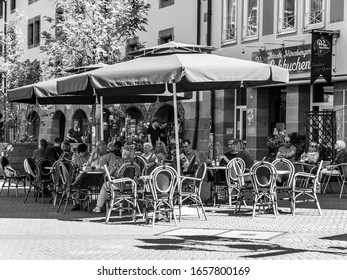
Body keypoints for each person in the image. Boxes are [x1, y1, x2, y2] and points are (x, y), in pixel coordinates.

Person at [70, 140, 118, 211]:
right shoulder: (95, 155)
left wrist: (102, 170)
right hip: (92, 176)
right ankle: (80, 203)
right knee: (84, 177)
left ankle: (73, 185)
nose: (97, 148)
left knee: (84, 177)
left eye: (99, 146)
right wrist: (92, 155)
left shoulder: (110, 155)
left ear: (104, 146)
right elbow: (87, 165)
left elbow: (112, 168)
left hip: (102, 176)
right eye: (96, 146)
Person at [92, 145, 137, 213]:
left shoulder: (119, 162)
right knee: (109, 185)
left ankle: (98, 206)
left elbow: (112, 173)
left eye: (122, 151)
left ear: (124, 153)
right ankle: (118, 204)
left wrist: (110, 173)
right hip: (132, 185)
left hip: (120, 184)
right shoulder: (135, 163)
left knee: (105, 185)